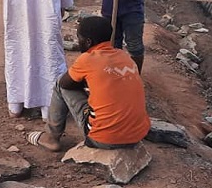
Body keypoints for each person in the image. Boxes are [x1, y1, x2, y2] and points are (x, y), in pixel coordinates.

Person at [25, 16, 150, 152]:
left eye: (80, 38)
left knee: (59, 84)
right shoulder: (125, 56)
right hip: (137, 135)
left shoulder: (88, 59)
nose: (79, 42)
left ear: (89, 41)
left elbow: (64, 84)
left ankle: (51, 137)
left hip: (103, 139)